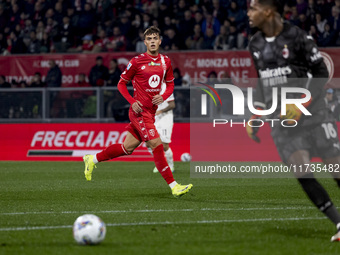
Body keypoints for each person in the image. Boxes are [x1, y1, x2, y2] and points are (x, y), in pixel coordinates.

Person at [247, 0, 340, 242]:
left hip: (314, 113)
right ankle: (339, 223)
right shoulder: (255, 44)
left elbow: (320, 73)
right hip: (282, 120)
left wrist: (300, 104)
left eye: (253, 8)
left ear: (268, 11)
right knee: (302, 170)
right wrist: (255, 113)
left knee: (335, 167)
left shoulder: (297, 36)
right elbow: (262, 81)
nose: (249, 13)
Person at [83, 26, 193, 198]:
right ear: (145, 42)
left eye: (155, 38)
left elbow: (170, 84)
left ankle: (92, 159)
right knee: (157, 145)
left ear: (160, 41)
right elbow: (121, 84)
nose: (152, 42)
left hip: (151, 111)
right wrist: (133, 102)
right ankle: (174, 186)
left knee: (127, 148)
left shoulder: (166, 62)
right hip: (139, 112)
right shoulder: (136, 61)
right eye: (149, 39)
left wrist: (163, 96)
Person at [148, 82, 176, 173]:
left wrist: (161, 111)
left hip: (165, 118)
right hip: (154, 117)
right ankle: (160, 164)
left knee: (164, 145)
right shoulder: (150, 87)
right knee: (149, 143)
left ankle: (170, 166)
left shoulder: (166, 88)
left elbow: (172, 105)